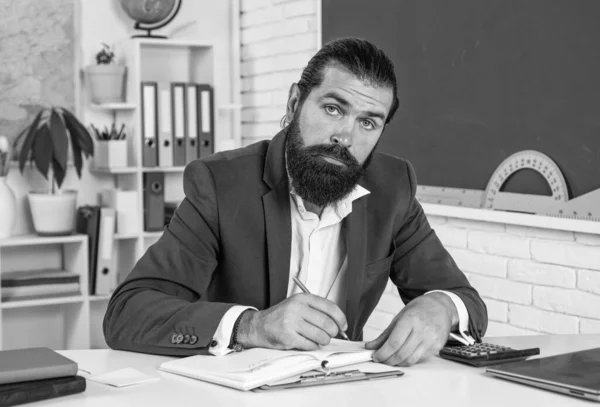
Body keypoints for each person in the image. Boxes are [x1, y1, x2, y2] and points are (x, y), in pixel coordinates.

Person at [103, 37, 488, 367]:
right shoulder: (220, 185)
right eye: (333, 108)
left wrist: (441, 308)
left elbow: (466, 300)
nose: (345, 136)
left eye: (368, 123)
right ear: (294, 102)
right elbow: (128, 312)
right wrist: (253, 326)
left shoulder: (393, 188)